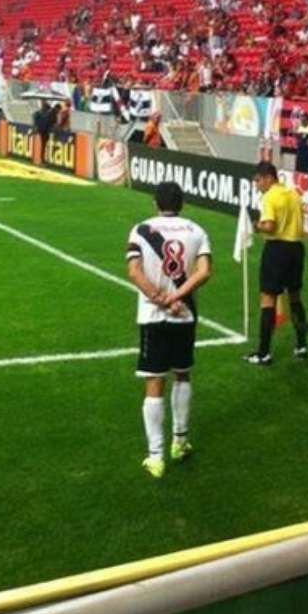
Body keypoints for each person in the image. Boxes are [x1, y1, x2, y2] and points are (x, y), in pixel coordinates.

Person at [126, 182, 212, 479]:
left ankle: (155, 456)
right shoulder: (197, 231)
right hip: (185, 316)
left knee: (154, 382)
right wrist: (177, 297)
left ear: (155, 202)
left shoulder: (140, 229)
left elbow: (134, 271)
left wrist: (161, 298)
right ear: (182, 203)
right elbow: (204, 272)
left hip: (152, 315)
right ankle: (180, 441)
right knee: (183, 373)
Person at [245, 161, 308, 366]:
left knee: (268, 299)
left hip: (277, 250)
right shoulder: (293, 194)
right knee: (295, 298)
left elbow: (270, 226)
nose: (257, 185)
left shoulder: (270, 196)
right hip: (296, 249)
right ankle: (301, 345)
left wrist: (256, 225)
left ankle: (263, 353)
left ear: (268, 177)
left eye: (258, 180)